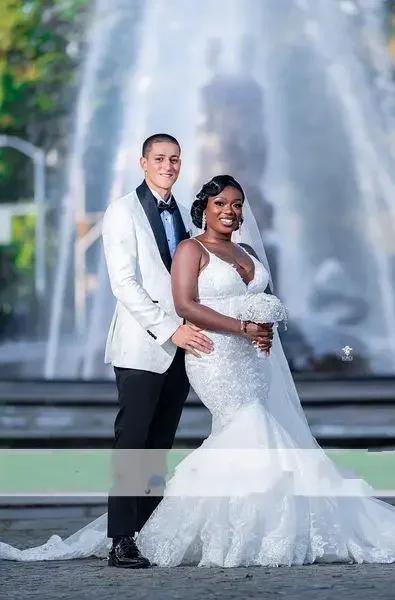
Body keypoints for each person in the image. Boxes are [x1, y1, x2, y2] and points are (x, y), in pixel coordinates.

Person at [1, 175, 395, 567]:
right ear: (204, 207)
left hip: (251, 357)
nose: (230, 210)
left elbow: (260, 299)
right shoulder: (182, 245)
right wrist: (242, 325)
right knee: (163, 435)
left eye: (237, 204)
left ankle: (205, 525)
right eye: (221, 203)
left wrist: (264, 322)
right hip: (198, 351)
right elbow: (180, 301)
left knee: (195, 439)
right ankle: (130, 535)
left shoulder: (248, 253)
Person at [98, 133, 216, 569]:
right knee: (132, 442)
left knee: (159, 443)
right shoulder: (121, 212)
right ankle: (121, 539)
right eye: (160, 158)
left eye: (175, 159)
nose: (168, 165)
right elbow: (125, 285)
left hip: (181, 347)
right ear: (143, 163)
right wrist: (171, 331)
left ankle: (148, 531)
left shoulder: (184, 215)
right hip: (142, 345)